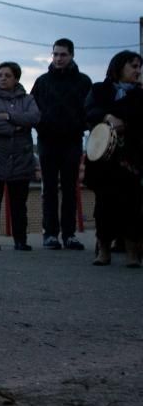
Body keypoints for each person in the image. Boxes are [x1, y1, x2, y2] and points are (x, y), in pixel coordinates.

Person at [30, 38, 92, 251]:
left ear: (72, 55)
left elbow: (90, 111)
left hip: (72, 142)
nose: (58, 58)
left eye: (63, 54)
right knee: (49, 190)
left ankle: (69, 234)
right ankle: (50, 235)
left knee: (69, 189)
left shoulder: (84, 82)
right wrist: (42, 127)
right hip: (47, 142)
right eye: (55, 54)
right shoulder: (42, 82)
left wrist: (78, 126)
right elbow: (33, 109)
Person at [83, 51, 142, 266]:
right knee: (104, 204)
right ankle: (104, 249)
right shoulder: (99, 90)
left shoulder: (140, 94)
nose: (137, 71)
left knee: (132, 203)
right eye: (133, 66)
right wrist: (107, 117)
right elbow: (88, 113)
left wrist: (125, 123)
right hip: (104, 159)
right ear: (119, 68)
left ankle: (132, 252)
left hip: (131, 157)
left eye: (139, 67)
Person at [0, 62, 40, 252]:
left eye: (7, 75)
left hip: (21, 158)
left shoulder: (28, 99)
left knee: (19, 205)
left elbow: (35, 117)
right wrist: (16, 127)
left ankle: (20, 240)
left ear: (16, 78)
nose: (2, 78)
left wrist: (9, 116)